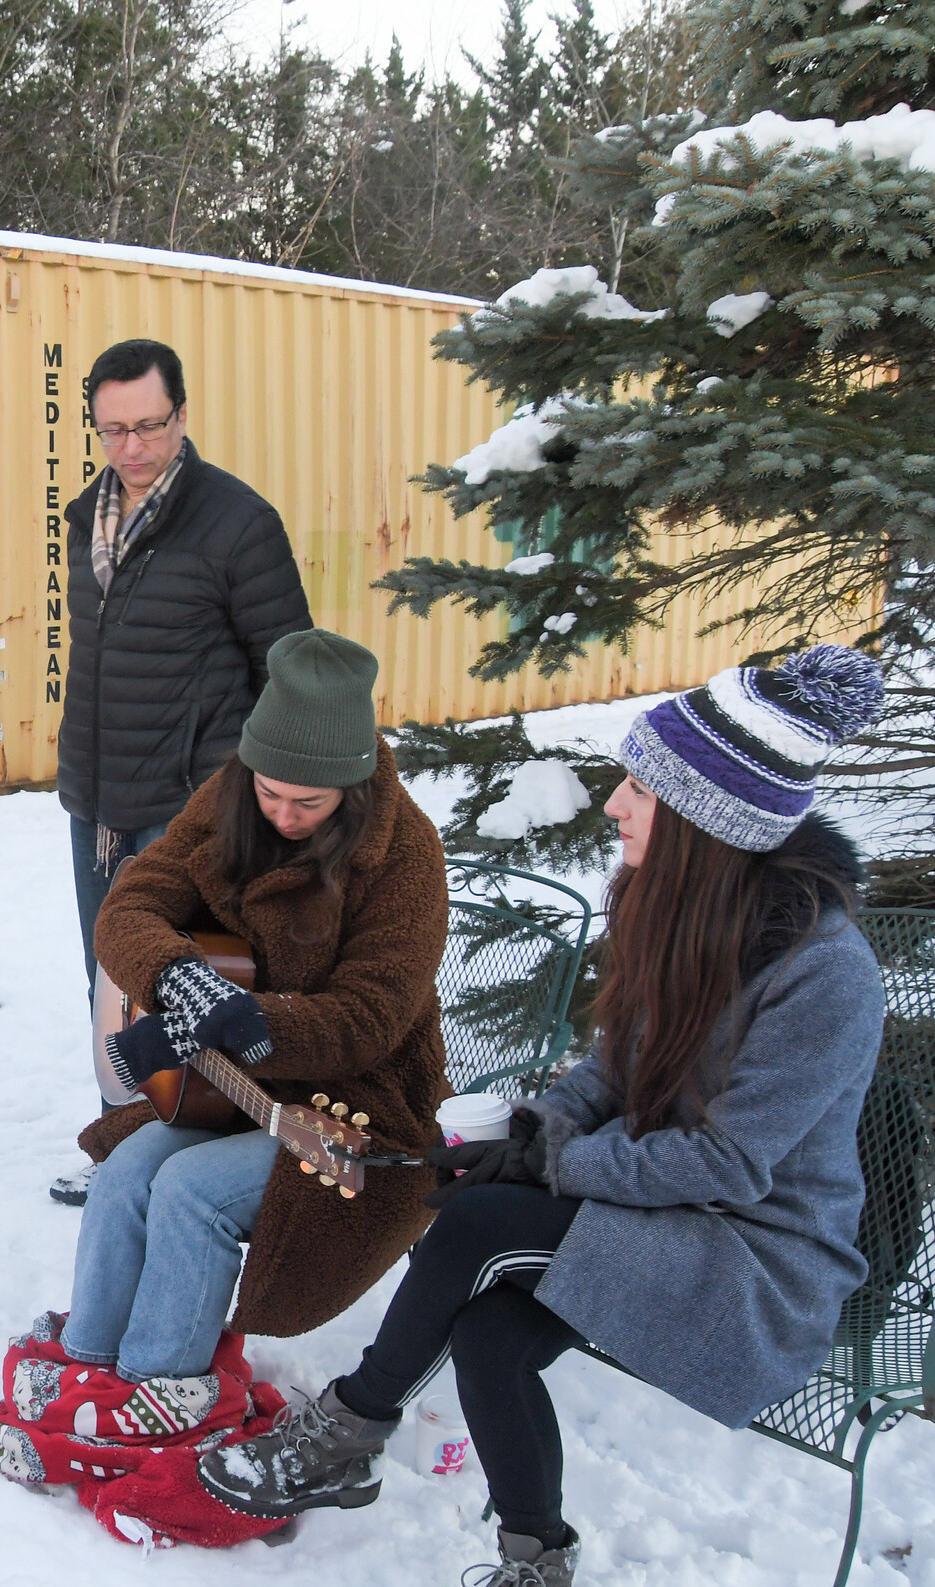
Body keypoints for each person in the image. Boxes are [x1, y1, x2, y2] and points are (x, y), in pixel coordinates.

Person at [194, 646, 889, 1587]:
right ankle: (537, 1561)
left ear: (702, 819)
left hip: (753, 1260)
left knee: (481, 1227)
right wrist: (527, 1137)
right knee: (490, 1335)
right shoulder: (678, 909)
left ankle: (350, 1431)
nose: (615, 803)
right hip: (661, 1212)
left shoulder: (823, 971)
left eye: (640, 785)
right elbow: (608, 1072)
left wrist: (551, 1166)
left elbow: (730, 1166)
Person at [48, 629, 448, 1407]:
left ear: (354, 785)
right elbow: (130, 903)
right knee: (127, 1173)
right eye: (270, 793)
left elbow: (373, 1015)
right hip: (228, 1085)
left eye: (309, 802)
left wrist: (251, 1019)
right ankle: (83, 1366)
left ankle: (158, 1388)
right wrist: (179, 978)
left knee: (191, 1190)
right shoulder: (230, 794)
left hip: (360, 1108)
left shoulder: (406, 854)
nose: (283, 813)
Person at [50, 338, 311, 1205]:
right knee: (107, 987)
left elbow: (288, 671)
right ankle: (117, 1149)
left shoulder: (237, 523)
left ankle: (178, 1168)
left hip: (189, 805)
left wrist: (239, 791)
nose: (132, 448)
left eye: (149, 426)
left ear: (183, 415)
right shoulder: (88, 513)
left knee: (179, 986)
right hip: (98, 799)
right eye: (113, 429)